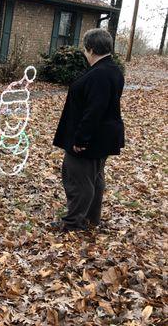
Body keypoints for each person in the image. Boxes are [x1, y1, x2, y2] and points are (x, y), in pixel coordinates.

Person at [51, 28, 125, 232]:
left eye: (85, 48)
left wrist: (81, 139)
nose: (84, 52)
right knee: (95, 178)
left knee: (77, 179)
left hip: (91, 139)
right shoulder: (112, 70)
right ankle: (92, 219)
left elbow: (94, 110)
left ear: (91, 49)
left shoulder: (100, 74)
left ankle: (73, 222)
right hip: (102, 138)